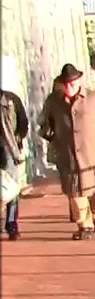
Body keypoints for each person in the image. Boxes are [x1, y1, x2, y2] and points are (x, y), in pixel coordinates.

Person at [38, 63, 95, 240]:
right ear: (61, 84)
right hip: (68, 156)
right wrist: (52, 136)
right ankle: (84, 226)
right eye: (66, 83)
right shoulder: (53, 101)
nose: (69, 86)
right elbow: (44, 124)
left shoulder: (93, 98)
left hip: (92, 154)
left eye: (72, 82)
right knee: (75, 193)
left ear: (79, 81)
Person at [1, 84, 28, 241]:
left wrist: (17, 141)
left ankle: (12, 224)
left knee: (11, 188)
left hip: (9, 151)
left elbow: (23, 124)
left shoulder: (12, 100)